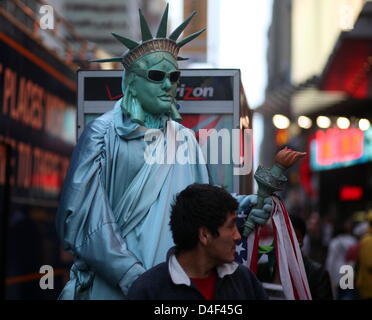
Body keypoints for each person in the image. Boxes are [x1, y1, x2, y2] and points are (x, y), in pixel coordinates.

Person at [55, 5, 275, 300]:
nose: (169, 85)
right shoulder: (101, 135)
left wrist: (250, 204)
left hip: (177, 290)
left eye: (174, 77)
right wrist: (134, 277)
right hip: (115, 288)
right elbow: (81, 218)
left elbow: (202, 206)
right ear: (131, 82)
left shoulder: (185, 140)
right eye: (158, 75)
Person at [128, 183, 268, 300]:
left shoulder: (245, 281)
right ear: (204, 235)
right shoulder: (148, 291)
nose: (237, 236)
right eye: (231, 226)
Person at [257, 214, 333, 300]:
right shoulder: (262, 270)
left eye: (286, 236)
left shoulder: (317, 275)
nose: (280, 240)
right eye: (277, 235)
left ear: (300, 240)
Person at [325, 219, 357, 299]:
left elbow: (330, 261)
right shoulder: (353, 241)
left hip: (336, 272)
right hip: (349, 270)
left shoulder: (334, 242)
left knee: (338, 295)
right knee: (348, 294)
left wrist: (328, 274)